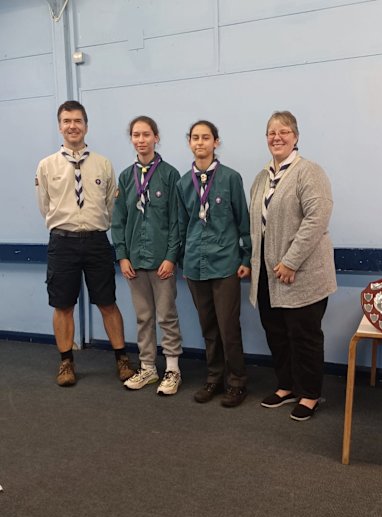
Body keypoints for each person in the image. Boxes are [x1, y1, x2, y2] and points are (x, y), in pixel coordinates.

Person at [35, 100, 134, 386]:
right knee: (62, 306)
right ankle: (66, 363)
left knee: (107, 303)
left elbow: (110, 208)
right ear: (60, 126)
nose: (72, 126)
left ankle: (122, 359)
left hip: (96, 242)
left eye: (77, 121)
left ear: (86, 126)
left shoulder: (103, 164)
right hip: (62, 242)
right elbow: (45, 206)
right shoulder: (46, 166)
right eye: (66, 121)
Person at [249, 110, 337, 421]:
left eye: (284, 131)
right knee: (276, 332)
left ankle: (310, 394)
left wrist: (290, 261)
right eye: (272, 132)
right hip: (268, 277)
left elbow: (316, 220)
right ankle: (286, 386)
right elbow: (257, 227)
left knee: (304, 336)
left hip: (303, 275)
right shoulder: (261, 178)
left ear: (296, 136)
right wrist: (252, 263)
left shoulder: (308, 172)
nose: (277, 137)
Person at [177, 120, 251, 407]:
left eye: (206, 138)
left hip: (226, 264)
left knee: (228, 326)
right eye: (195, 138)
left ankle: (237, 382)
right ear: (189, 143)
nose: (200, 143)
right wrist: (184, 261)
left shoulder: (231, 178)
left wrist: (246, 258)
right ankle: (214, 378)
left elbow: (242, 222)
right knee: (208, 327)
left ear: (216, 142)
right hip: (196, 265)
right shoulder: (185, 183)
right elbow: (183, 226)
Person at [111, 116, 183, 395]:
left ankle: (173, 370)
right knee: (143, 317)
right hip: (134, 262)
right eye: (136, 135)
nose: (141, 140)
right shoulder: (126, 177)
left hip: (161, 261)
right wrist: (122, 256)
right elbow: (119, 220)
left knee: (166, 316)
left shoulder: (170, 175)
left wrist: (171, 257)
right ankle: (148, 368)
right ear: (131, 139)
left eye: (146, 134)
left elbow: (176, 221)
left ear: (156, 137)